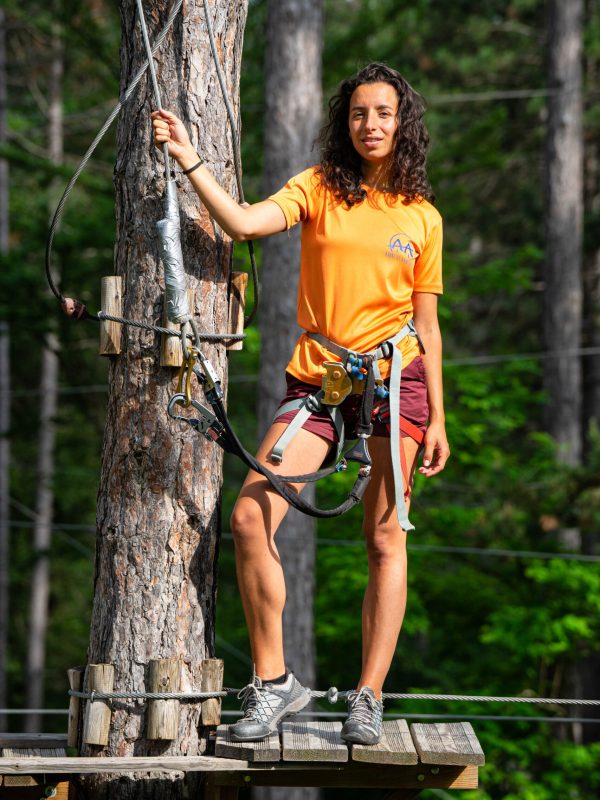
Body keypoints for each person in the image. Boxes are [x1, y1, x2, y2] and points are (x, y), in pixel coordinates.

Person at [152, 62, 450, 746]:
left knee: (383, 538)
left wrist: (438, 417)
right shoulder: (319, 188)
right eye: (358, 114)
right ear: (345, 124)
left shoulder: (423, 219)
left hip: (394, 380)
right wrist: (189, 156)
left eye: (383, 113)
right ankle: (275, 680)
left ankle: (368, 696)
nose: (370, 125)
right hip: (319, 381)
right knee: (253, 516)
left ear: (402, 124)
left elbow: (427, 326)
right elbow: (246, 223)